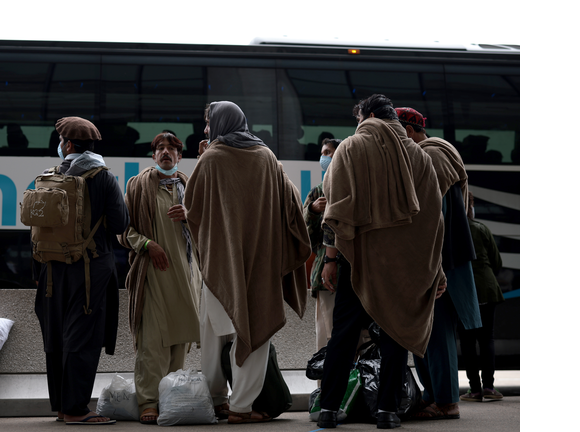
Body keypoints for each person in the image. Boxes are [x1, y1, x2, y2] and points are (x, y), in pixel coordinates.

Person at [317, 95, 446, 429]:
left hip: (357, 261)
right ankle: (387, 410)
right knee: (394, 335)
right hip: (402, 267)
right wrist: (435, 268)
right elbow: (433, 219)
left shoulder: (351, 146)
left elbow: (335, 208)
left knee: (343, 336)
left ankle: (329, 408)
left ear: (369, 115)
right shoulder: (418, 154)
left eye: (358, 117)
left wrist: (330, 259)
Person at [184, 101, 310, 424]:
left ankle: (216, 400)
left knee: (213, 334)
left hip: (220, 264)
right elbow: (291, 199)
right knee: (254, 332)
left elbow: (191, 207)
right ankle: (242, 406)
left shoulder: (211, 158)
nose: (208, 130)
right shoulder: (266, 156)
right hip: (261, 263)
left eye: (210, 123)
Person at [32, 116, 129, 425]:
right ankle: (77, 409)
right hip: (90, 266)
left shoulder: (50, 175)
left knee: (57, 335)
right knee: (83, 337)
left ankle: (62, 406)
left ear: (68, 145)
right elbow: (120, 224)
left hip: (52, 269)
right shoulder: (102, 177)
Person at [396, 107, 482, 421]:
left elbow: (433, 219)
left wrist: (435, 267)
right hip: (437, 257)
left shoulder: (431, 157)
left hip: (440, 259)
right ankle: (434, 396)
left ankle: (446, 401)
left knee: (437, 331)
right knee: (426, 330)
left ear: (407, 130)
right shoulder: (436, 153)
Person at [119, 132, 201, 424]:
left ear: (180, 156)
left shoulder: (191, 188)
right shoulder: (138, 186)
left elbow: (212, 228)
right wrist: (147, 245)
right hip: (154, 275)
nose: (166, 152)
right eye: (160, 149)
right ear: (153, 156)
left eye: (172, 149)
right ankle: (148, 402)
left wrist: (190, 215)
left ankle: (170, 397)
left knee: (180, 342)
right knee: (151, 342)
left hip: (187, 275)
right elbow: (122, 229)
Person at [459, 191, 505, 402]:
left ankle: (474, 390)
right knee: (487, 338)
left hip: (464, 292)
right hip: (487, 289)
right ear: (471, 206)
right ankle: (489, 387)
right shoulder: (481, 228)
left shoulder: (450, 231)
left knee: (468, 341)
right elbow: (497, 262)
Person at [302, 138, 341, 350]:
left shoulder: (352, 187)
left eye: (328, 152)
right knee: (325, 338)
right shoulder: (318, 191)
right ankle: (325, 383)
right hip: (325, 277)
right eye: (323, 153)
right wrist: (313, 212)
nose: (324, 157)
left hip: (351, 277)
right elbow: (303, 236)